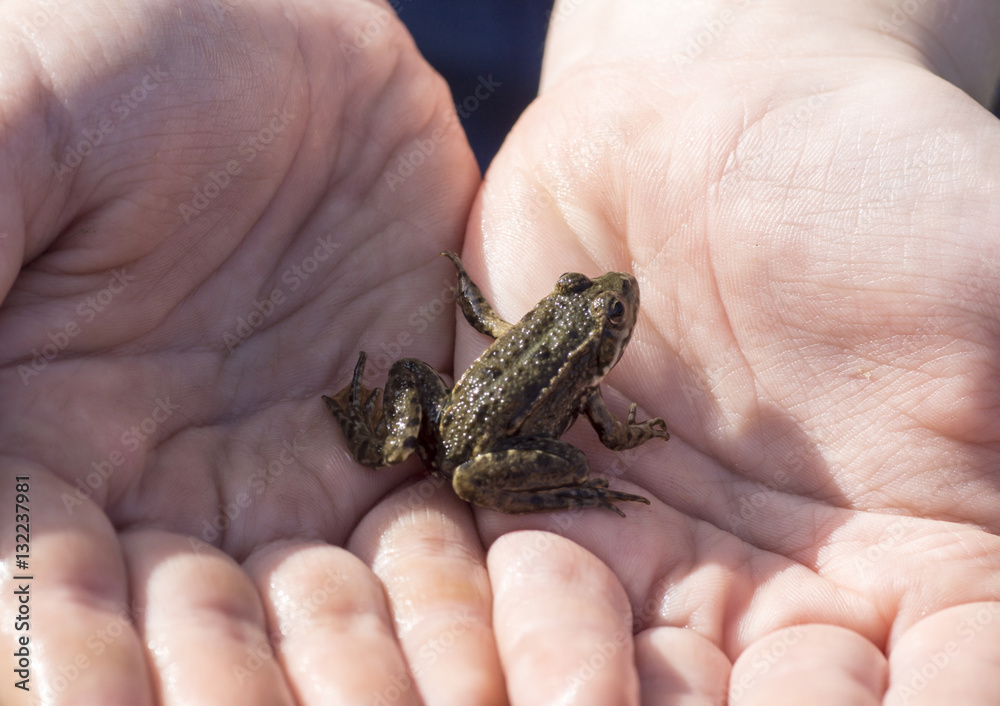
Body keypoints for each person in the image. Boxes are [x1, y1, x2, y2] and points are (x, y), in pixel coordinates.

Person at [2, 0, 1000, 703]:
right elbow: (603, 411)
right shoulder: (584, 376)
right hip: (475, 440)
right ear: (581, 327)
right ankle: (532, 477)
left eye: (601, 317)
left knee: (423, 402)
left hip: (450, 404)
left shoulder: (529, 332)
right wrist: (603, 465)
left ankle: (373, 418)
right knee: (555, 463)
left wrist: (778, 35)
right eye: (596, 310)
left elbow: (482, 315)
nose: (607, 308)